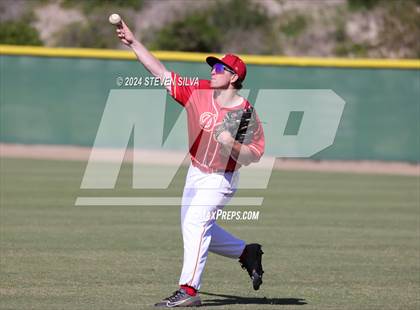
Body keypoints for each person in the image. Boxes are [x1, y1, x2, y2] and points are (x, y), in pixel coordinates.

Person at [116, 20, 265, 308]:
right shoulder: (198, 91)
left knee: (197, 222)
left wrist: (231, 144)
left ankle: (188, 291)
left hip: (220, 178)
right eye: (213, 66)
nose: (213, 69)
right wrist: (134, 43)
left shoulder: (244, 112)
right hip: (195, 171)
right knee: (193, 226)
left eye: (220, 68)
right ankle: (246, 252)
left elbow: (254, 154)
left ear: (234, 77)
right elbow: (161, 73)